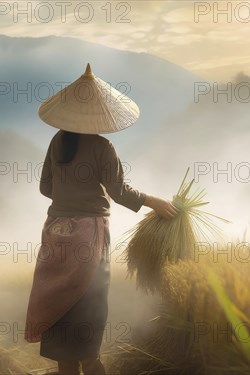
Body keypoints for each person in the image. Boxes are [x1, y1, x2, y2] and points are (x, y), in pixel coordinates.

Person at [25, 64, 179, 375]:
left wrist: (67, 196)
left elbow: (45, 187)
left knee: (59, 297)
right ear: (99, 115)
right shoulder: (102, 147)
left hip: (55, 231)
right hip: (88, 234)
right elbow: (119, 192)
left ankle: (66, 365)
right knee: (88, 301)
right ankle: (91, 362)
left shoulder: (57, 142)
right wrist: (154, 202)